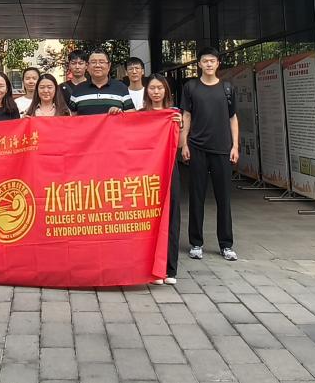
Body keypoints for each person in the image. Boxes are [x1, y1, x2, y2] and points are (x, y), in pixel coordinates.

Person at [180, 47, 239, 262]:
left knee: (224, 199)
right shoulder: (191, 87)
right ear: (199, 64)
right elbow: (186, 115)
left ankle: (226, 244)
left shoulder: (227, 88)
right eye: (205, 61)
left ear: (217, 63)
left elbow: (233, 118)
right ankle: (196, 243)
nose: (208, 64)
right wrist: (184, 144)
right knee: (196, 197)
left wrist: (235, 146)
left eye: (212, 61)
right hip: (197, 148)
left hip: (222, 149)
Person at [143, 74, 182, 284]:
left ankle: (169, 269)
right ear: (147, 91)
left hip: (169, 170)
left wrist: (180, 126)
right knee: (148, 218)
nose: (156, 92)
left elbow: (181, 145)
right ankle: (151, 269)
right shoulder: (140, 115)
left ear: (166, 90)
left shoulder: (174, 114)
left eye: (160, 88)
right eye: (152, 88)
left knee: (171, 216)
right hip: (146, 174)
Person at [67, 47, 134, 116]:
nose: (97, 65)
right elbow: (71, 117)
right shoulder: (78, 90)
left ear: (109, 66)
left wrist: (119, 113)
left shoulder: (121, 88)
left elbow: (132, 115)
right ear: (88, 66)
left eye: (101, 62)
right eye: (93, 62)